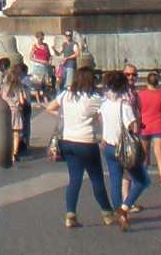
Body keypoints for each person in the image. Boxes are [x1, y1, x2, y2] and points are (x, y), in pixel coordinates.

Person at [45, 65, 114, 230]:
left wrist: (64, 116)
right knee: (96, 179)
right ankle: (108, 214)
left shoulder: (66, 94)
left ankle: (70, 215)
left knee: (74, 179)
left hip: (68, 140)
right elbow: (104, 116)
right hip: (86, 141)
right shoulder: (94, 98)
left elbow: (50, 107)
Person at [98, 70, 147, 226]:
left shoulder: (104, 104)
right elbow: (134, 128)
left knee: (115, 183)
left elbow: (102, 121)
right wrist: (137, 120)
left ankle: (120, 215)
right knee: (142, 181)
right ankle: (124, 209)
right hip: (124, 148)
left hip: (108, 146)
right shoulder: (124, 106)